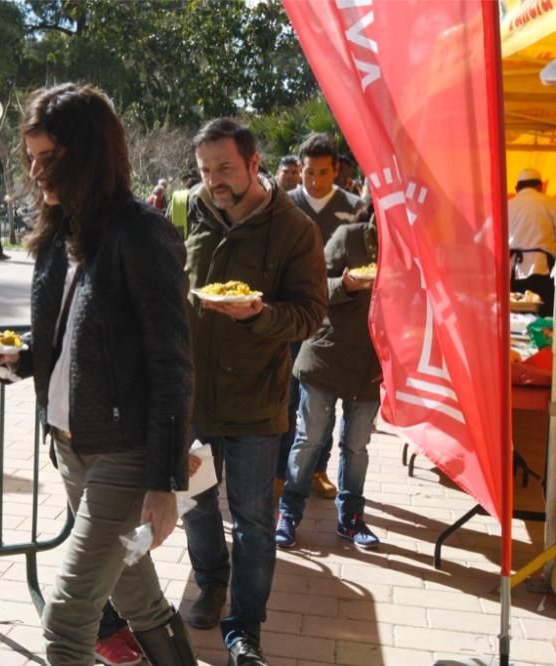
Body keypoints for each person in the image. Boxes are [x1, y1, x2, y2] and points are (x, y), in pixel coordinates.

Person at [0, 83, 196, 666]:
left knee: (67, 617)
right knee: (137, 594)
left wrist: (164, 481)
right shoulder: (58, 233)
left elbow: (171, 362)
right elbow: (64, 339)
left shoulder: (140, 233)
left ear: (89, 153)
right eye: (32, 156)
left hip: (123, 454)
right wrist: (13, 358)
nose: (35, 170)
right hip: (69, 447)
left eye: (50, 157)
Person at [181, 118, 326, 666]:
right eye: (204, 169)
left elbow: (311, 314)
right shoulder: (190, 210)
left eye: (224, 168)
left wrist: (260, 314)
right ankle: (210, 583)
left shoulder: (294, 229)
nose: (213, 180)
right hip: (194, 397)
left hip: (256, 402)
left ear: (253, 163)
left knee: (252, 519)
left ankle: (245, 628)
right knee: (194, 505)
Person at [276, 205, 382, 551]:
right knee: (310, 439)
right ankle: (289, 513)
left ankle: (351, 518)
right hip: (327, 356)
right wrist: (347, 284)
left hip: (371, 364)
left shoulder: (411, 250)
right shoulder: (350, 236)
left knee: (356, 446)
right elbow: (315, 285)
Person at [281, 132, 364, 500]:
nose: (315, 181)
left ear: (337, 172)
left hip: (333, 321)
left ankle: (318, 469)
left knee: (322, 401)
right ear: (300, 171)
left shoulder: (352, 207)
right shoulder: (283, 204)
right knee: (285, 394)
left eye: (323, 173)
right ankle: (282, 468)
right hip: (288, 313)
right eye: (309, 173)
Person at [508, 167, 556, 317]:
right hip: (543, 269)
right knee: (544, 315)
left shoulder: (508, 205)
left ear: (517, 188)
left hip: (514, 270)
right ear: (540, 186)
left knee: (517, 314)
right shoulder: (552, 203)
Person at [167, 174, 200, 240]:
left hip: (176, 238)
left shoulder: (176, 198)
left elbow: (167, 216)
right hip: (192, 237)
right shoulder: (198, 198)